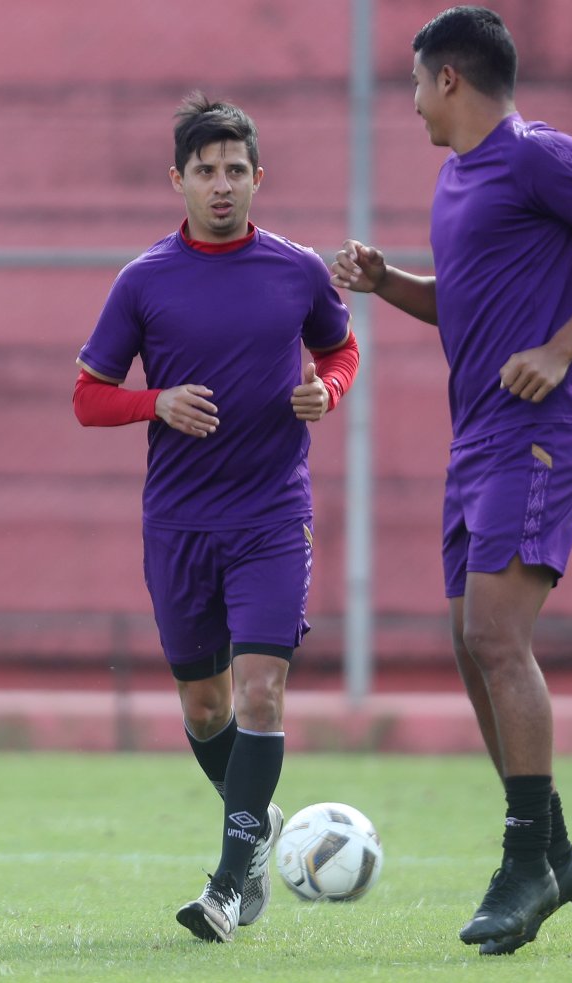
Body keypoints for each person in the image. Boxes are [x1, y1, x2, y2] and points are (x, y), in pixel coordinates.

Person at [330, 5, 572, 954]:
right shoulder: (458, 176)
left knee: (494, 634)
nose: (410, 105)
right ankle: (554, 847)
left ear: (449, 78)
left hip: (540, 431)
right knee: (466, 640)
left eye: (413, 84)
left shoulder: (537, 154)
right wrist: (385, 281)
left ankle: (526, 862)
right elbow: (464, 302)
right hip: (477, 435)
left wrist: (563, 349)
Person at [73, 94, 359, 942]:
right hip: (179, 523)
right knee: (205, 707)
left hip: (271, 514)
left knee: (261, 689)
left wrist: (326, 391)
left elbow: (337, 348)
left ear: (257, 177)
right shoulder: (144, 280)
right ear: (179, 181)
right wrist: (156, 403)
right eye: (206, 171)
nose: (222, 184)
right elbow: (88, 398)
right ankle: (257, 823)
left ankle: (229, 885)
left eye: (237, 170)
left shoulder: (297, 269)